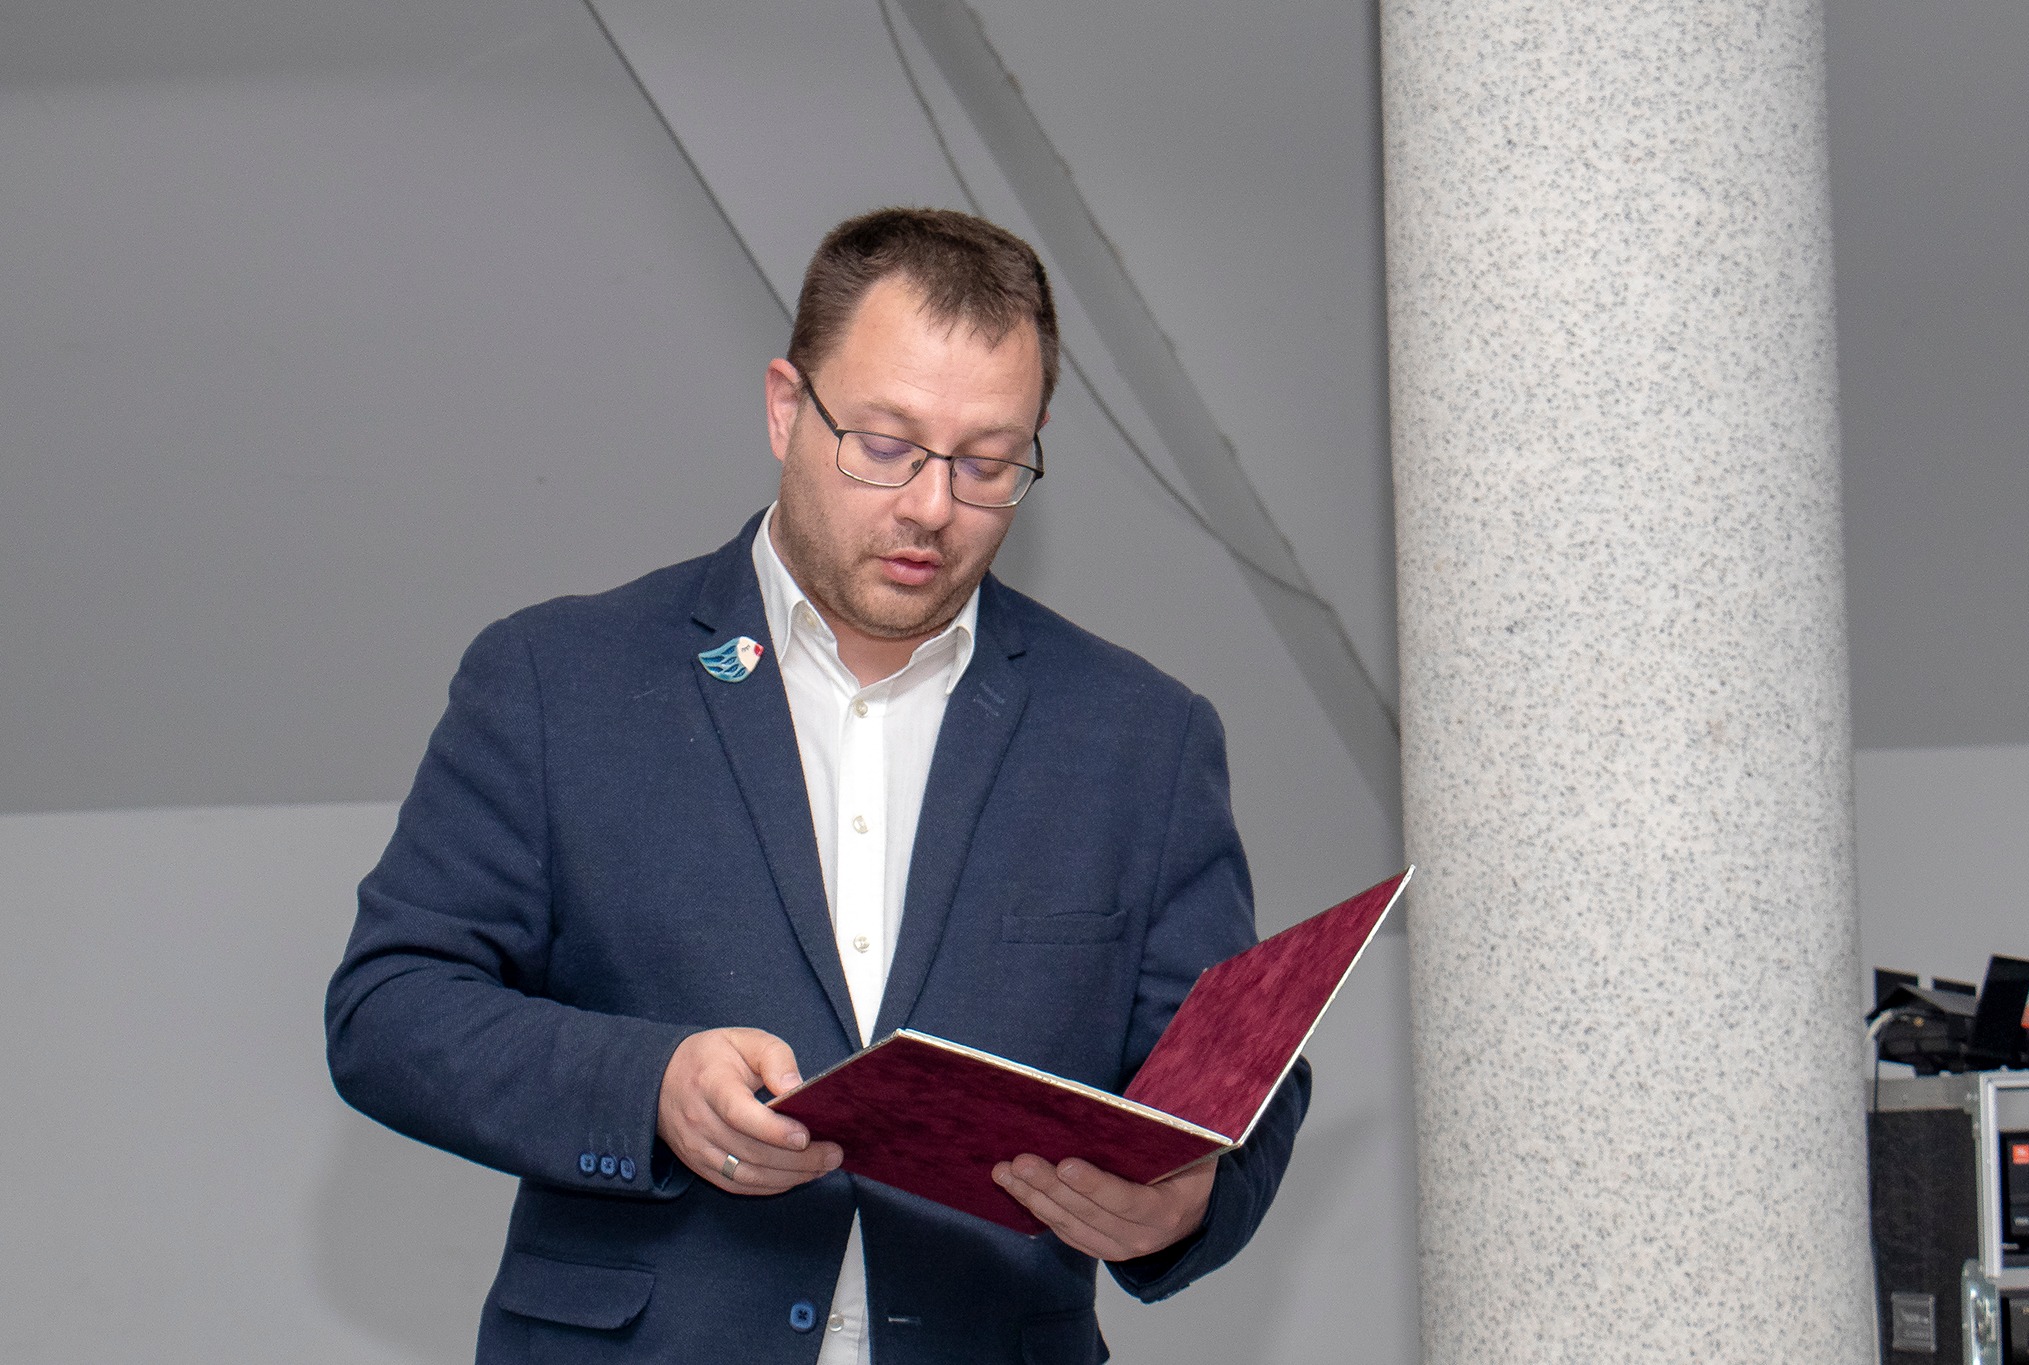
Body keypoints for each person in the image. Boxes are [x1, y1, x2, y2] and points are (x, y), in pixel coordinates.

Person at [325, 207, 1309, 1365]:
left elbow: (1229, 1071)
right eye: (884, 445)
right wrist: (651, 1085)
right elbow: (391, 1008)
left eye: (987, 463)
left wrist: (1193, 1191)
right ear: (786, 408)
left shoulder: (1142, 736)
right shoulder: (558, 679)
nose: (931, 506)